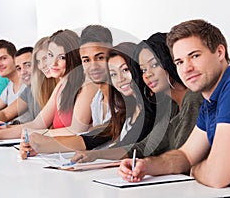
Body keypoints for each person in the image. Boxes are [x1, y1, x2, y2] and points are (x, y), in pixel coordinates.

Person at [118, 19, 230, 193]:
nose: (187, 68)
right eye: (179, 62)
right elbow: (185, 155)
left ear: (220, 52)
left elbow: (218, 176)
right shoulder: (210, 101)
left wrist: (195, 169)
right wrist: (146, 165)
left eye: (195, 56)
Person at [70, 33, 203, 163]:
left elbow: (185, 158)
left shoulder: (193, 98)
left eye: (154, 65)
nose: (148, 74)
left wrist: (148, 166)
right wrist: (96, 154)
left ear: (169, 61)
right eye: (143, 69)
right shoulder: (171, 105)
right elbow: (144, 147)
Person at [19, 42, 156, 159]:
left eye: (125, 70)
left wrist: (95, 155)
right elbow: (93, 138)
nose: (120, 79)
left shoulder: (151, 108)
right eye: (113, 74)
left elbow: (127, 148)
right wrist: (42, 145)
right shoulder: (127, 108)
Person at [0, 29, 97, 140]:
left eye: (61, 57)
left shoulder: (87, 86)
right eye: (50, 56)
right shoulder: (62, 86)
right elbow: (38, 124)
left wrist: (33, 134)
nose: (52, 63)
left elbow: (76, 130)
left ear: (73, 57)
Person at [0, 37, 58, 139]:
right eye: (19, 68)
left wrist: (3, 131)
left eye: (28, 65)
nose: (23, 72)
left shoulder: (57, 87)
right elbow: (5, 114)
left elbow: (41, 126)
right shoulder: (29, 90)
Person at [79, 25, 113, 127]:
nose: (93, 66)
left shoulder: (124, 96)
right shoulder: (97, 100)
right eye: (86, 60)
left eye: (100, 58)